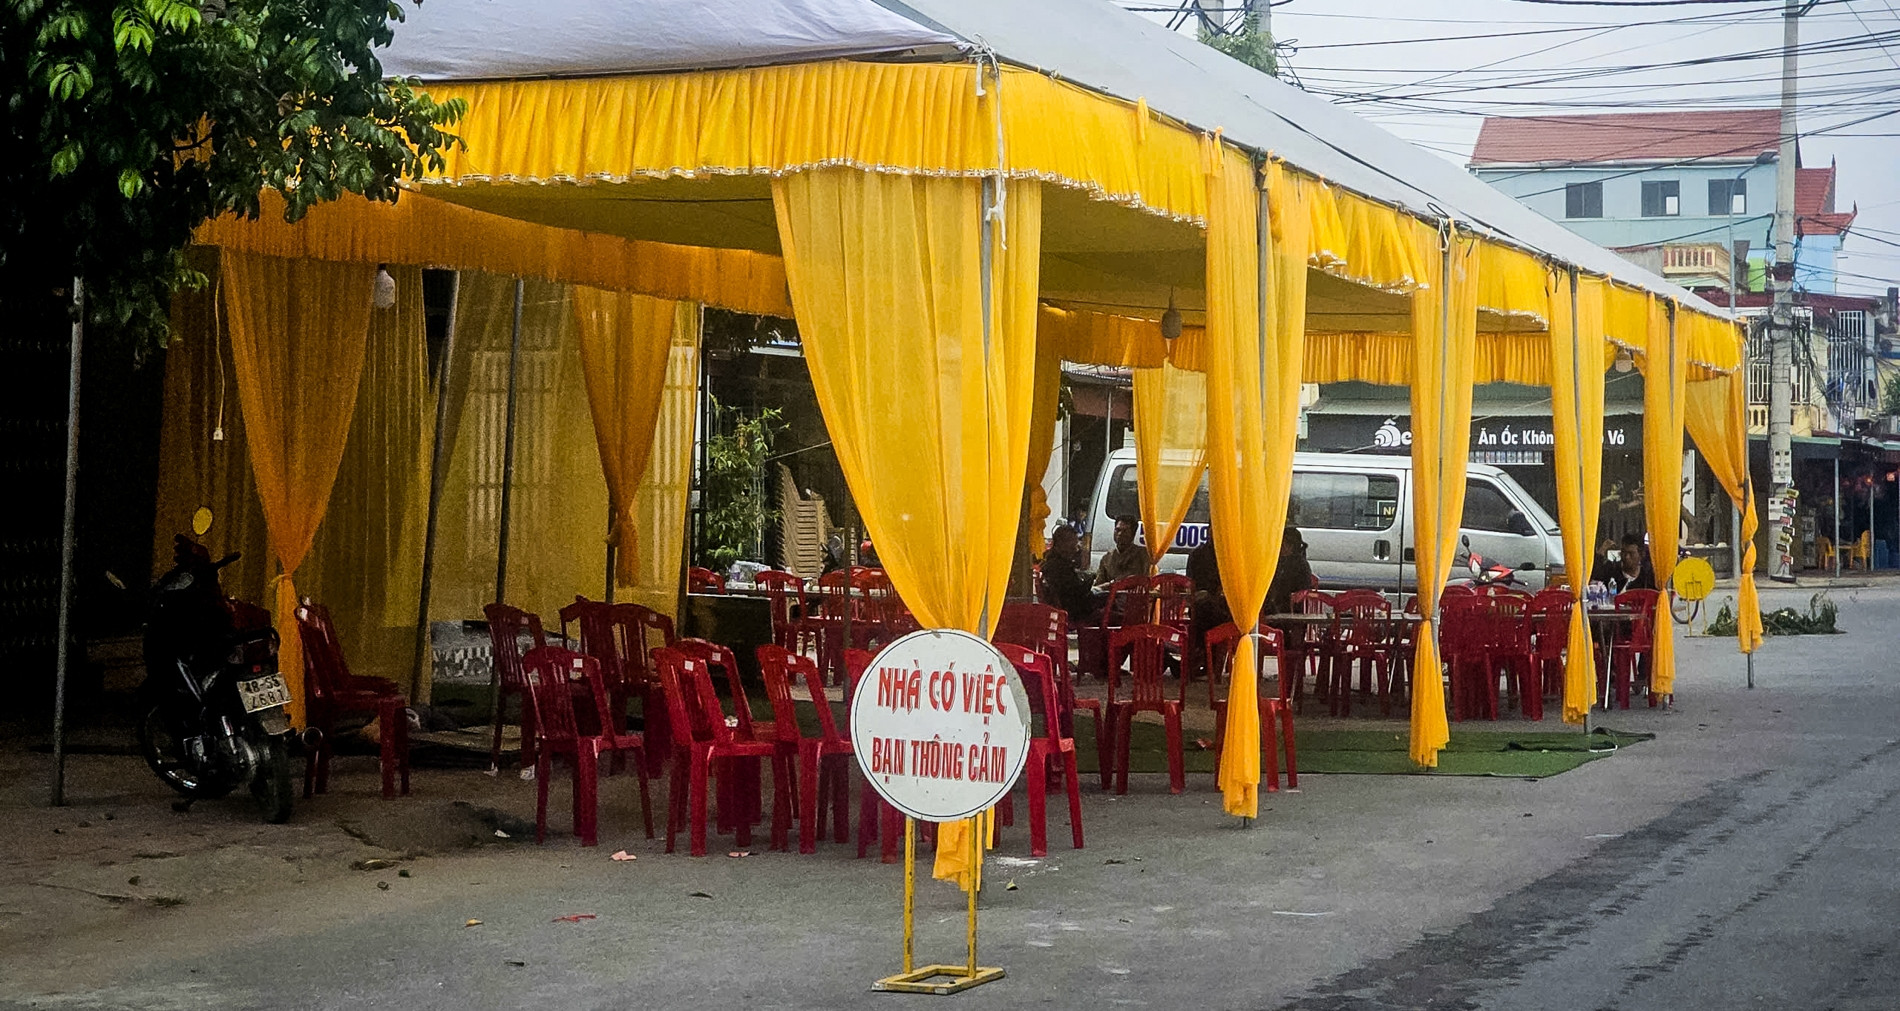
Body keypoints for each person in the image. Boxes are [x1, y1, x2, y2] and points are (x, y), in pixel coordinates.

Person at [1185, 533, 1228, 682]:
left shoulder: (1227, 552)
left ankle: (1207, 659)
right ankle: (1205, 658)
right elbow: (1190, 580)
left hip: (1221, 602)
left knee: (1215, 615)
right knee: (1205, 612)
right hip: (1200, 600)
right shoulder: (1198, 554)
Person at [1039, 525, 1095, 622]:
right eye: (1073, 544)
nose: (1076, 549)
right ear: (1061, 544)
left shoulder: (1051, 563)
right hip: (1072, 611)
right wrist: (1090, 579)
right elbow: (1076, 591)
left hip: (1068, 606)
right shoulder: (1059, 566)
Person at [1264, 525, 1314, 616]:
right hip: (1272, 605)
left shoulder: (1300, 564)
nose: (1281, 546)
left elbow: (1304, 588)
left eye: (1284, 543)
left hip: (1291, 608)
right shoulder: (1275, 560)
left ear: (1292, 546)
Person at [1093, 515, 1151, 587]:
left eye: (1125, 531)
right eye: (1117, 530)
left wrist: (1112, 584)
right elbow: (1098, 585)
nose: (1120, 534)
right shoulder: (1106, 558)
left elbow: (1138, 579)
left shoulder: (1142, 555)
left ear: (1133, 534)